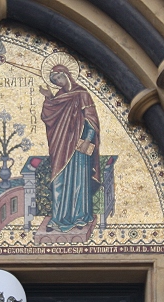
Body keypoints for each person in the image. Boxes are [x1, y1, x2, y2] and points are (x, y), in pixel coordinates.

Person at [39, 64, 101, 232]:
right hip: (61, 144)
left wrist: (87, 140)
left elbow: (91, 120)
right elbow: (49, 117)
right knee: (59, 180)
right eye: (54, 80)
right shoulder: (59, 97)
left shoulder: (82, 94)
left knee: (79, 180)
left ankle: (80, 216)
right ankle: (58, 218)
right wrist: (48, 98)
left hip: (80, 144)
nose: (58, 82)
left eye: (59, 77)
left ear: (66, 74)